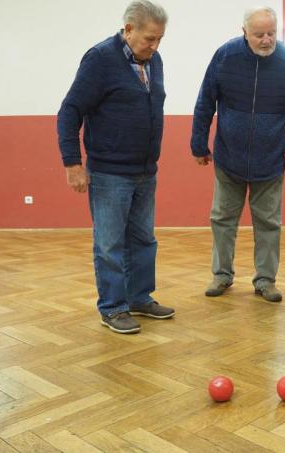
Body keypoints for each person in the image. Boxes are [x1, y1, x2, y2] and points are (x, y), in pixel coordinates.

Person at [56, 0, 174, 334]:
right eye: (149, 39)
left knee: (143, 240)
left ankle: (139, 297)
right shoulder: (100, 59)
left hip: (145, 171)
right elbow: (69, 111)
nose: (155, 46)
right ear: (129, 29)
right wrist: (72, 164)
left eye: (160, 39)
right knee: (109, 245)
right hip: (109, 173)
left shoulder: (154, 60)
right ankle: (112, 307)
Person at [190, 6, 285, 302]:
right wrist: (198, 143)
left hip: (270, 160)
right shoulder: (225, 56)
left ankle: (266, 280)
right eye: (259, 34)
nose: (267, 39)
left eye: (271, 33)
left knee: (269, 223)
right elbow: (205, 101)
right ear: (244, 32)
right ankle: (221, 275)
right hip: (228, 156)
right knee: (222, 219)